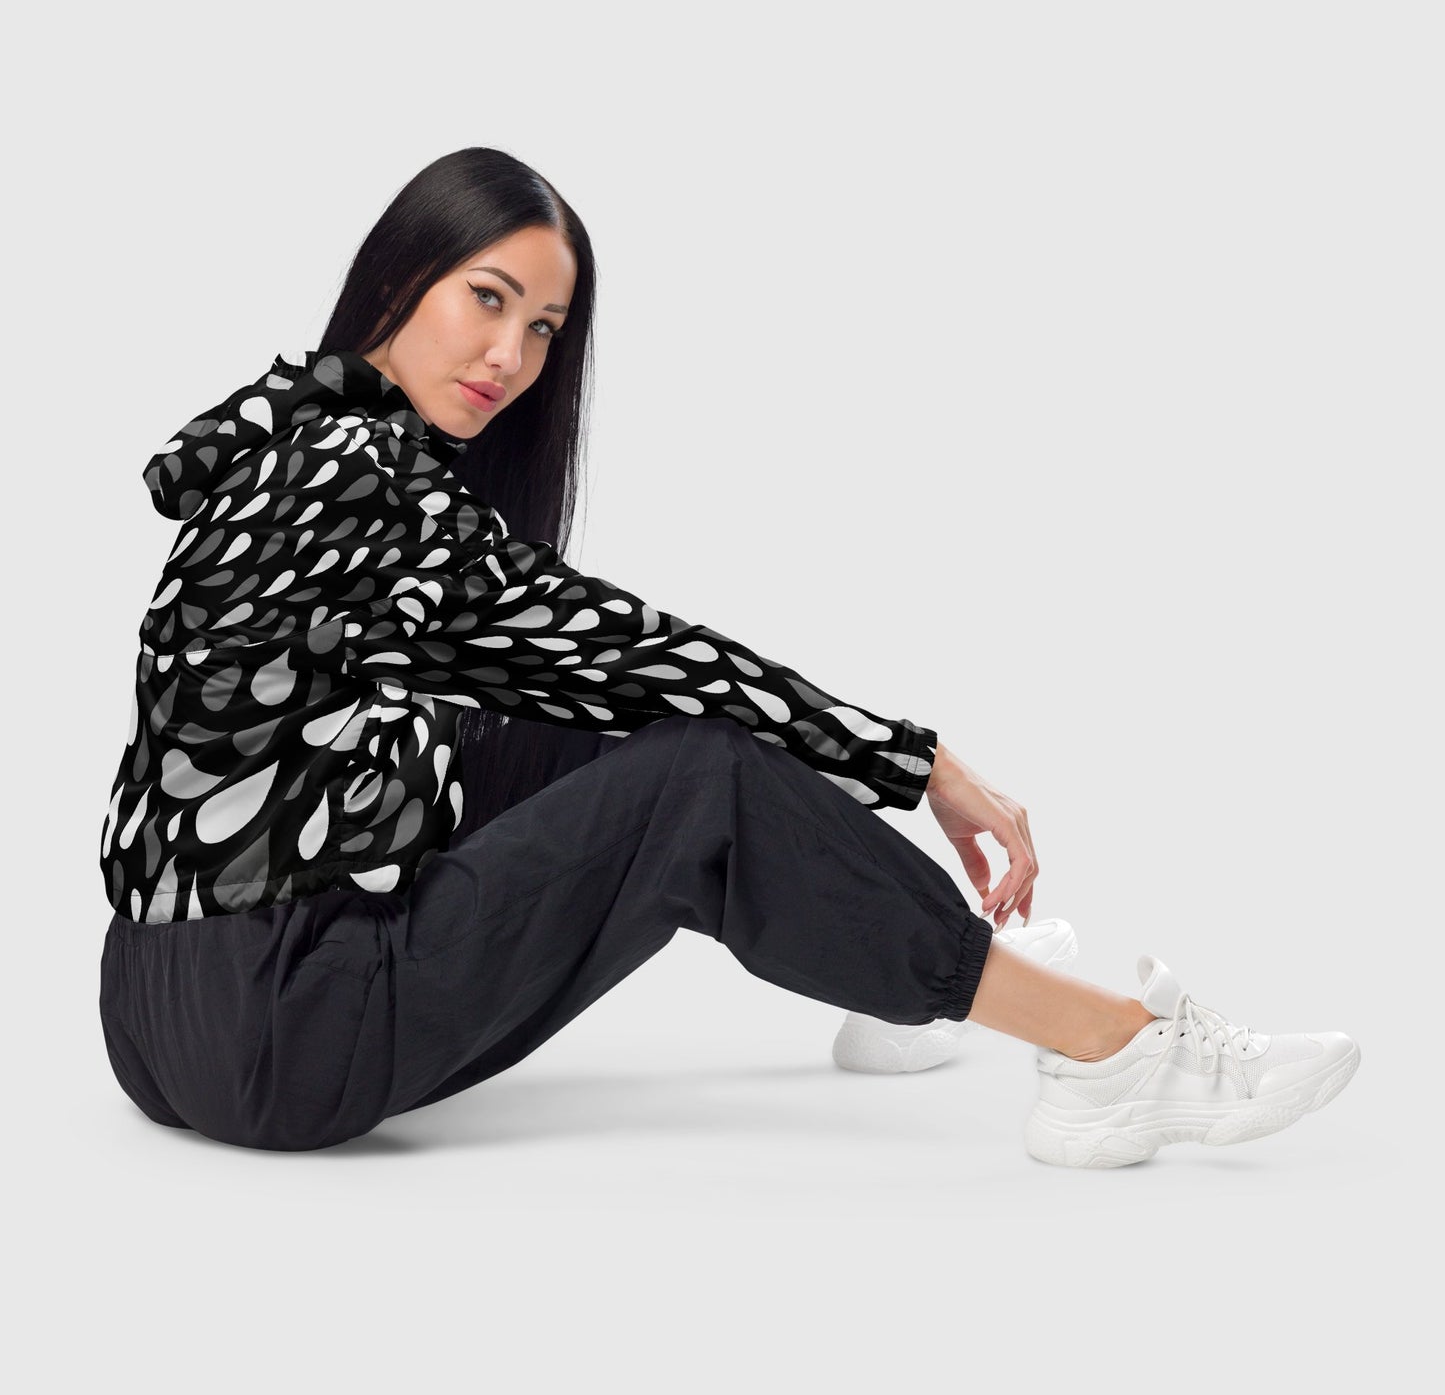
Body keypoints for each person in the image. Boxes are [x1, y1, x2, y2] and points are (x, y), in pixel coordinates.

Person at [96, 147, 1360, 1167]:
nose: (510, 359)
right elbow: (656, 656)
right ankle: (1115, 1054)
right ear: (398, 278)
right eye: (487, 297)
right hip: (289, 1036)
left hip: (152, 1013)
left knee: (584, 730)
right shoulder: (378, 490)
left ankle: (884, 965)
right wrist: (922, 765)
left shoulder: (284, 437)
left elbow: (590, 679)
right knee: (701, 776)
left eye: (543, 328)